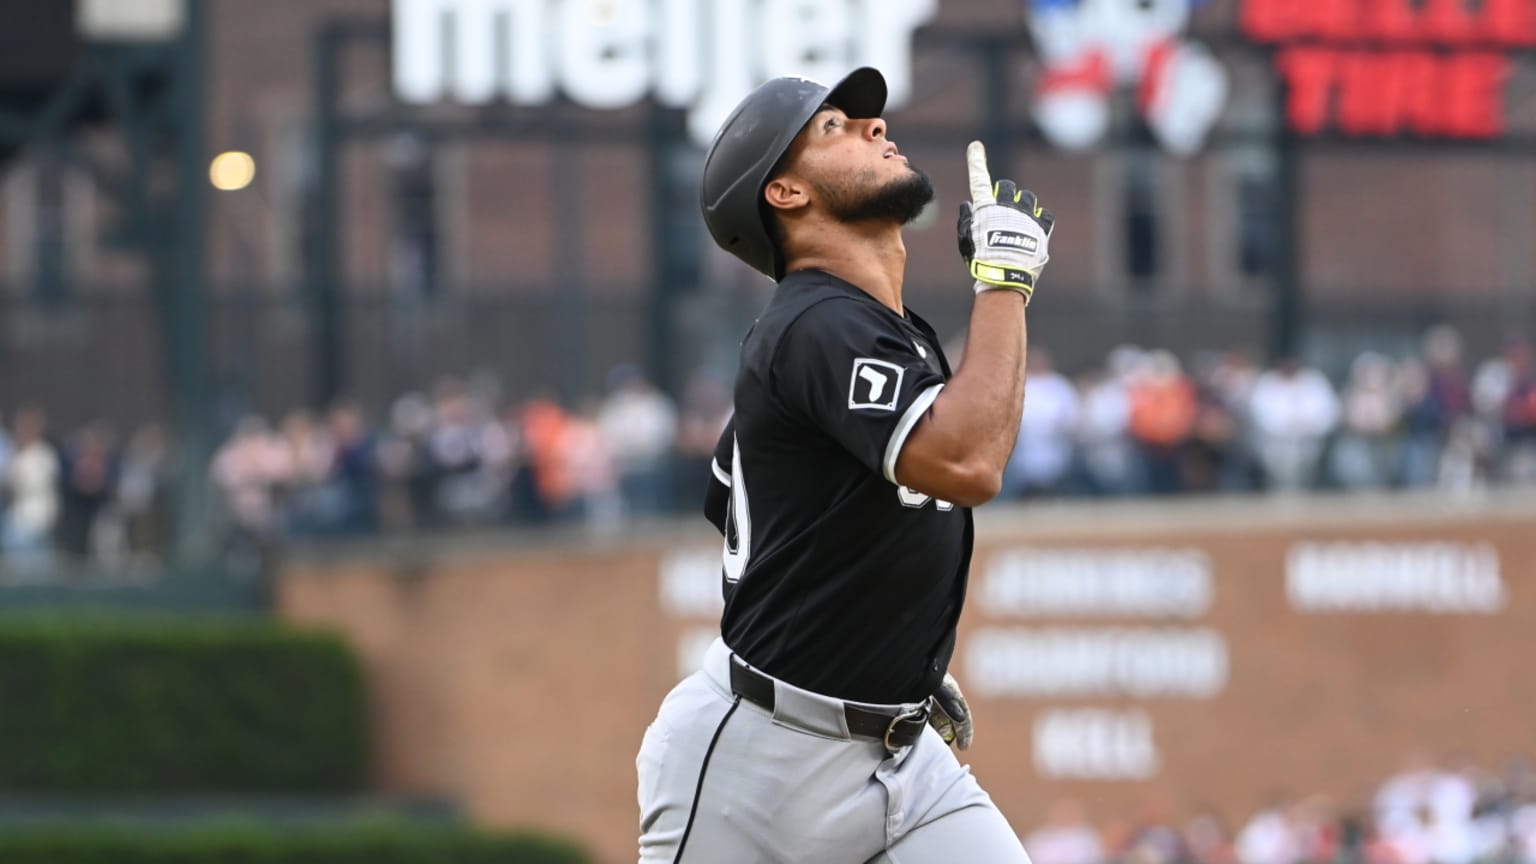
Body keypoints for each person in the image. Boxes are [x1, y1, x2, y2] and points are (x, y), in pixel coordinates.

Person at [635, 68, 1054, 862]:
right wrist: (1003, 285)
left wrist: (880, 649)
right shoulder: (818, 322)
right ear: (787, 195)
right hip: (760, 765)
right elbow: (966, 462)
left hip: (898, 751)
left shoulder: (869, 330)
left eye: (865, 120)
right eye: (833, 128)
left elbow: (738, 499)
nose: (872, 126)